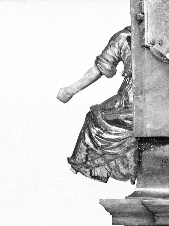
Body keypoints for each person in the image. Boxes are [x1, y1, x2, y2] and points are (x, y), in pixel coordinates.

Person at [57, 27, 136, 183]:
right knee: (95, 117)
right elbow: (100, 68)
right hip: (130, 98)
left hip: (144, 102)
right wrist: (71, 90)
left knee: (96, 119)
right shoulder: (124, 37)